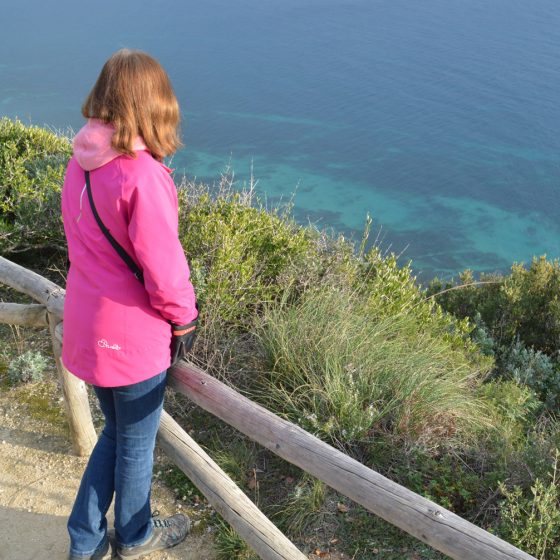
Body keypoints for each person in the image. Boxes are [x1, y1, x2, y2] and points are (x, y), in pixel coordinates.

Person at [61, 49, 199, 560]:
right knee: (135, 442)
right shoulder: (142, 175)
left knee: (116, 433)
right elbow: (164, 269)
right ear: (152, 104)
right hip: (130, 336)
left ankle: (86, 540)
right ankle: (136, 537)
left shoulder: (81, 162)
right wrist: (184, 320)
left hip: (85, 323)